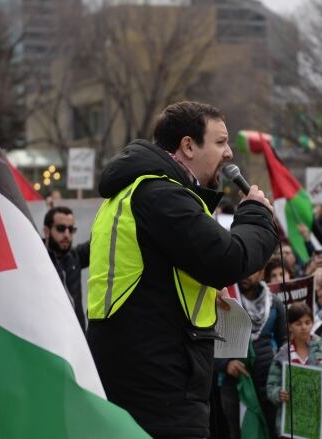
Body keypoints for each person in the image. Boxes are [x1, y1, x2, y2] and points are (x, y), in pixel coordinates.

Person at [86, 101, 278, 438]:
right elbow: (228, 260)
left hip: (145, 377)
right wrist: (257, 215)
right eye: (220, 142)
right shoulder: (161, 195)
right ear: (188, 146)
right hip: (159, 388)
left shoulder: (136, 192)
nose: (230, 153)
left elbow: (154, 274)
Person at [219, 268, 286, 438]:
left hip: (267, 383)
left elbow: (284, 343)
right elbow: (210, 341)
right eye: (244, 270)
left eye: (252, 271)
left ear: (262, 273)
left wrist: (279, 375)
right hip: (235, 384)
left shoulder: (275, 304)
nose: (246, 275)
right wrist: (226, 364)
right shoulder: (226, 302)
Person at [267, 303, 322, 439]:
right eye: (298, 323)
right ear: (289, 326)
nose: (304, 327)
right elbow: (271, 387)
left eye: (307, 322)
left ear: (312, 323)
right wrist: (278, 394)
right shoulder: (282, 355)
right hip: (291, 429)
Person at [43, 206, 89, 330]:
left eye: (71, 229)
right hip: (49, 339)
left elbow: (102, 242)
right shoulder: (37, 259)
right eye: (61, 228)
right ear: (46, 231)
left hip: (77, 339)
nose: (67, 234)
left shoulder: (75, 257)